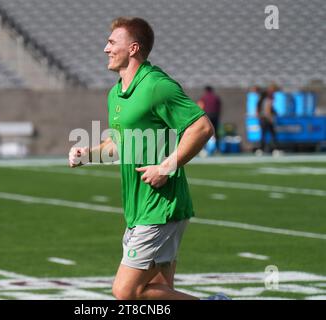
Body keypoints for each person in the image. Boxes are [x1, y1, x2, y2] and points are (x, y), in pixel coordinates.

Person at [69, 17, 230, 300]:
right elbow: (119, 144)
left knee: (126, 292)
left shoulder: (157, 85)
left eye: (111, 43)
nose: (105, 49)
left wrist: (167, 166)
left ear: (133, 48)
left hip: (161, 206)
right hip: (138, 207)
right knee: (159, 292)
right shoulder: (115, 94)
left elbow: (202, 127)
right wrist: (88, 154)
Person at [256, 84, 279, 155]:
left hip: (263, 118)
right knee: (271, 134)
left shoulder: (264, 98)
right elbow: (267, 109)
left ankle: (262, 149)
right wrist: (270, 118)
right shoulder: (267, 98)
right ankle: (272, 149)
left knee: (266, 134)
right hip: (265, 118)